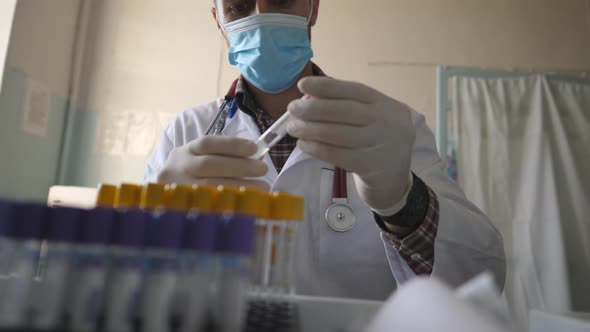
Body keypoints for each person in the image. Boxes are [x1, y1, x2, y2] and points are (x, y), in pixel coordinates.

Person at [144, 0, 506, 300]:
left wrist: (404, 203)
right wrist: (162, 227)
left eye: (281, 0)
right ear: (218, 22)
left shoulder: (389, 128)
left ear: (313, 8)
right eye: (238, 6)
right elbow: (129, 288)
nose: (261, 18)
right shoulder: (184, 134)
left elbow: (480, 278)